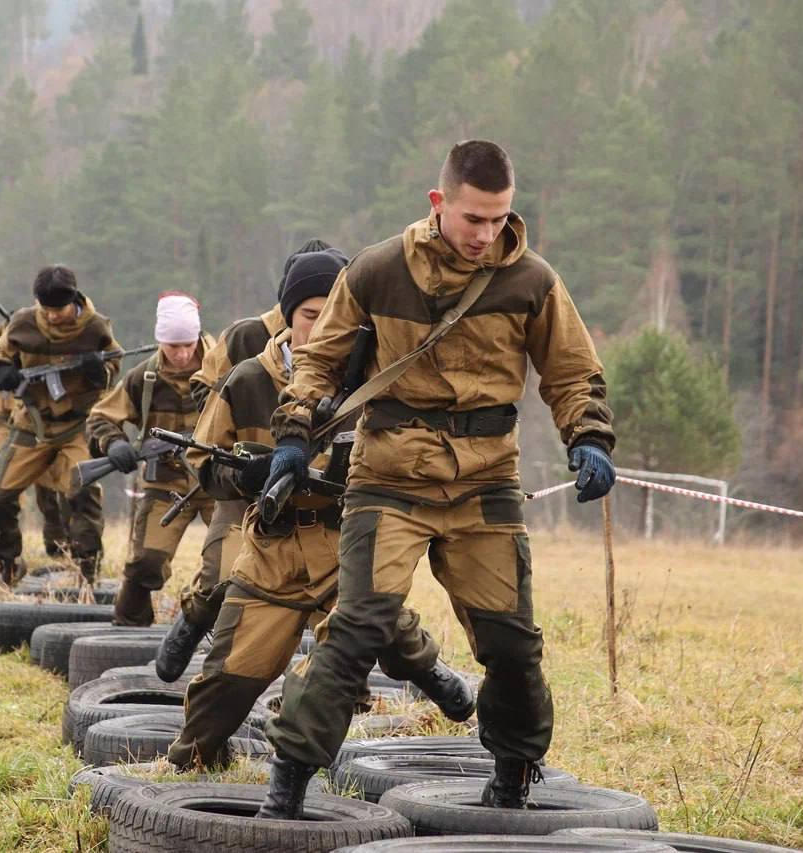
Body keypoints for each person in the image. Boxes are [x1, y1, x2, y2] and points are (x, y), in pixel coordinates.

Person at [255, 140, 617, 818]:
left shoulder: (532, 280)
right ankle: (291, 777)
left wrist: (589, 436)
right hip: (390, 476)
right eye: (473, 218)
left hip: (485, 481)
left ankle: (513, 773)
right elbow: (319, 361)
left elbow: (572, 371)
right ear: (438, 202)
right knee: (359, 628)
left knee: (511, 641)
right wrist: (294, 434)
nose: (486, 234)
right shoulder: (377, 270)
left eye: (499, 218)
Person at [166, 248, 474, 771]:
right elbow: (201, 463)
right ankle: (193, 762)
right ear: (289, 315)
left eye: (337, 312)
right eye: (312, 314)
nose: (325, 325)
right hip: (272, 553)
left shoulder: (378, 382)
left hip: (348, 544)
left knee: (390, 634)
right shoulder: (248, 379)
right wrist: (246, 475)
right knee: (227, 681)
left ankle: (431, 670)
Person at [158, 238, 331, 680]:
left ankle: (344, 687)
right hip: (244, 481)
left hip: (320, 492)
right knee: (220, 574)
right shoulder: (247, 336)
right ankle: (193, 621)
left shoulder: (351, 342)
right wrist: (236, 433)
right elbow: (205, 385)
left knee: (340, 596)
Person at [0, 265, 120, 585]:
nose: (53, 316)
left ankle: (87, 569)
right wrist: (3, 372)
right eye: (46, 309)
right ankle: (4, 564)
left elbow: (114, 366)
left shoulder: (96, 327)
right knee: (0, 497)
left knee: (84, 492)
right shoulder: (22, 322)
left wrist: (97, 371)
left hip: (78, 426)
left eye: (59, 310)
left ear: (73, 301)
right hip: (31, 424)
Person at [86, 292, 215, 626]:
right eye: (173, 346)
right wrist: (115, 444)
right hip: (165, 482)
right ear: (160, 342)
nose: (182, 354)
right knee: (147, 561)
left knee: (234, 562)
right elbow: (100, 417)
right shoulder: (143, 379)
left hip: (219, 481)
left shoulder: (225, 369)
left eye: (188, 344)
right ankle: (128, 626)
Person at [0, 322, 70, 559]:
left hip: (46, 418)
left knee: (51, 484)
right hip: (8, 417)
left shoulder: (72, 329)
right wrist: (6, 372)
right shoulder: (13, 327)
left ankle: (59, 550)